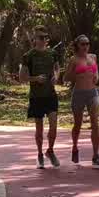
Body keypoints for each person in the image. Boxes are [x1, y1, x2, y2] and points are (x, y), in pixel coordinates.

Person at [18, 27, 61, 168]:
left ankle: (50, 151)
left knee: (53, 126)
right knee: (39, 129)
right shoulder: (28, 56)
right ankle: (40, 154)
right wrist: (35, 78)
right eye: (41, 37)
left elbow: (57, 68)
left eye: (45, 37)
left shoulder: (52, 53)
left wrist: (56, 76)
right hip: (36, 97)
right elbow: (22, 77)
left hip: (51, 95)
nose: (43, 40)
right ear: (34, 39)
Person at [66, 34, 99, 167]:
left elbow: (96, 72)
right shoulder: (73, 59)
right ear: (77, 45)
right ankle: (75, 146)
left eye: (87, 43)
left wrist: (96, 76)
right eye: (83, 44)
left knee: (95, 123)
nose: (86, 46)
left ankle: (95, 155)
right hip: (79, 94)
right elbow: (66, 77)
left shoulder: (93, 57)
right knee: (78, 124)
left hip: (92, 93)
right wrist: (76, 73)